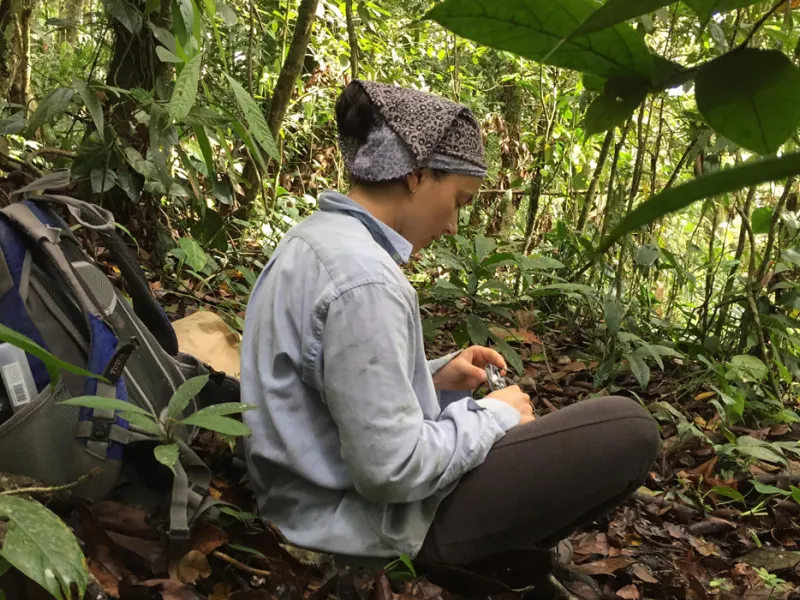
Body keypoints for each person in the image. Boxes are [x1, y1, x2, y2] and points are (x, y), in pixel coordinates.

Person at [240, 80, 660, 577]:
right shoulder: (366, 279)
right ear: (416, 176)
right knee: (629, 430)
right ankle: (484, 558)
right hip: (352, 525)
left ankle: (507, 550)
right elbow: (391, 471)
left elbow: (323, 382)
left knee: (484, 413)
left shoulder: (312, 239)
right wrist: (495, 417)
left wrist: (435, 377)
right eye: (459, 200)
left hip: (299, 502)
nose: (455, 225)